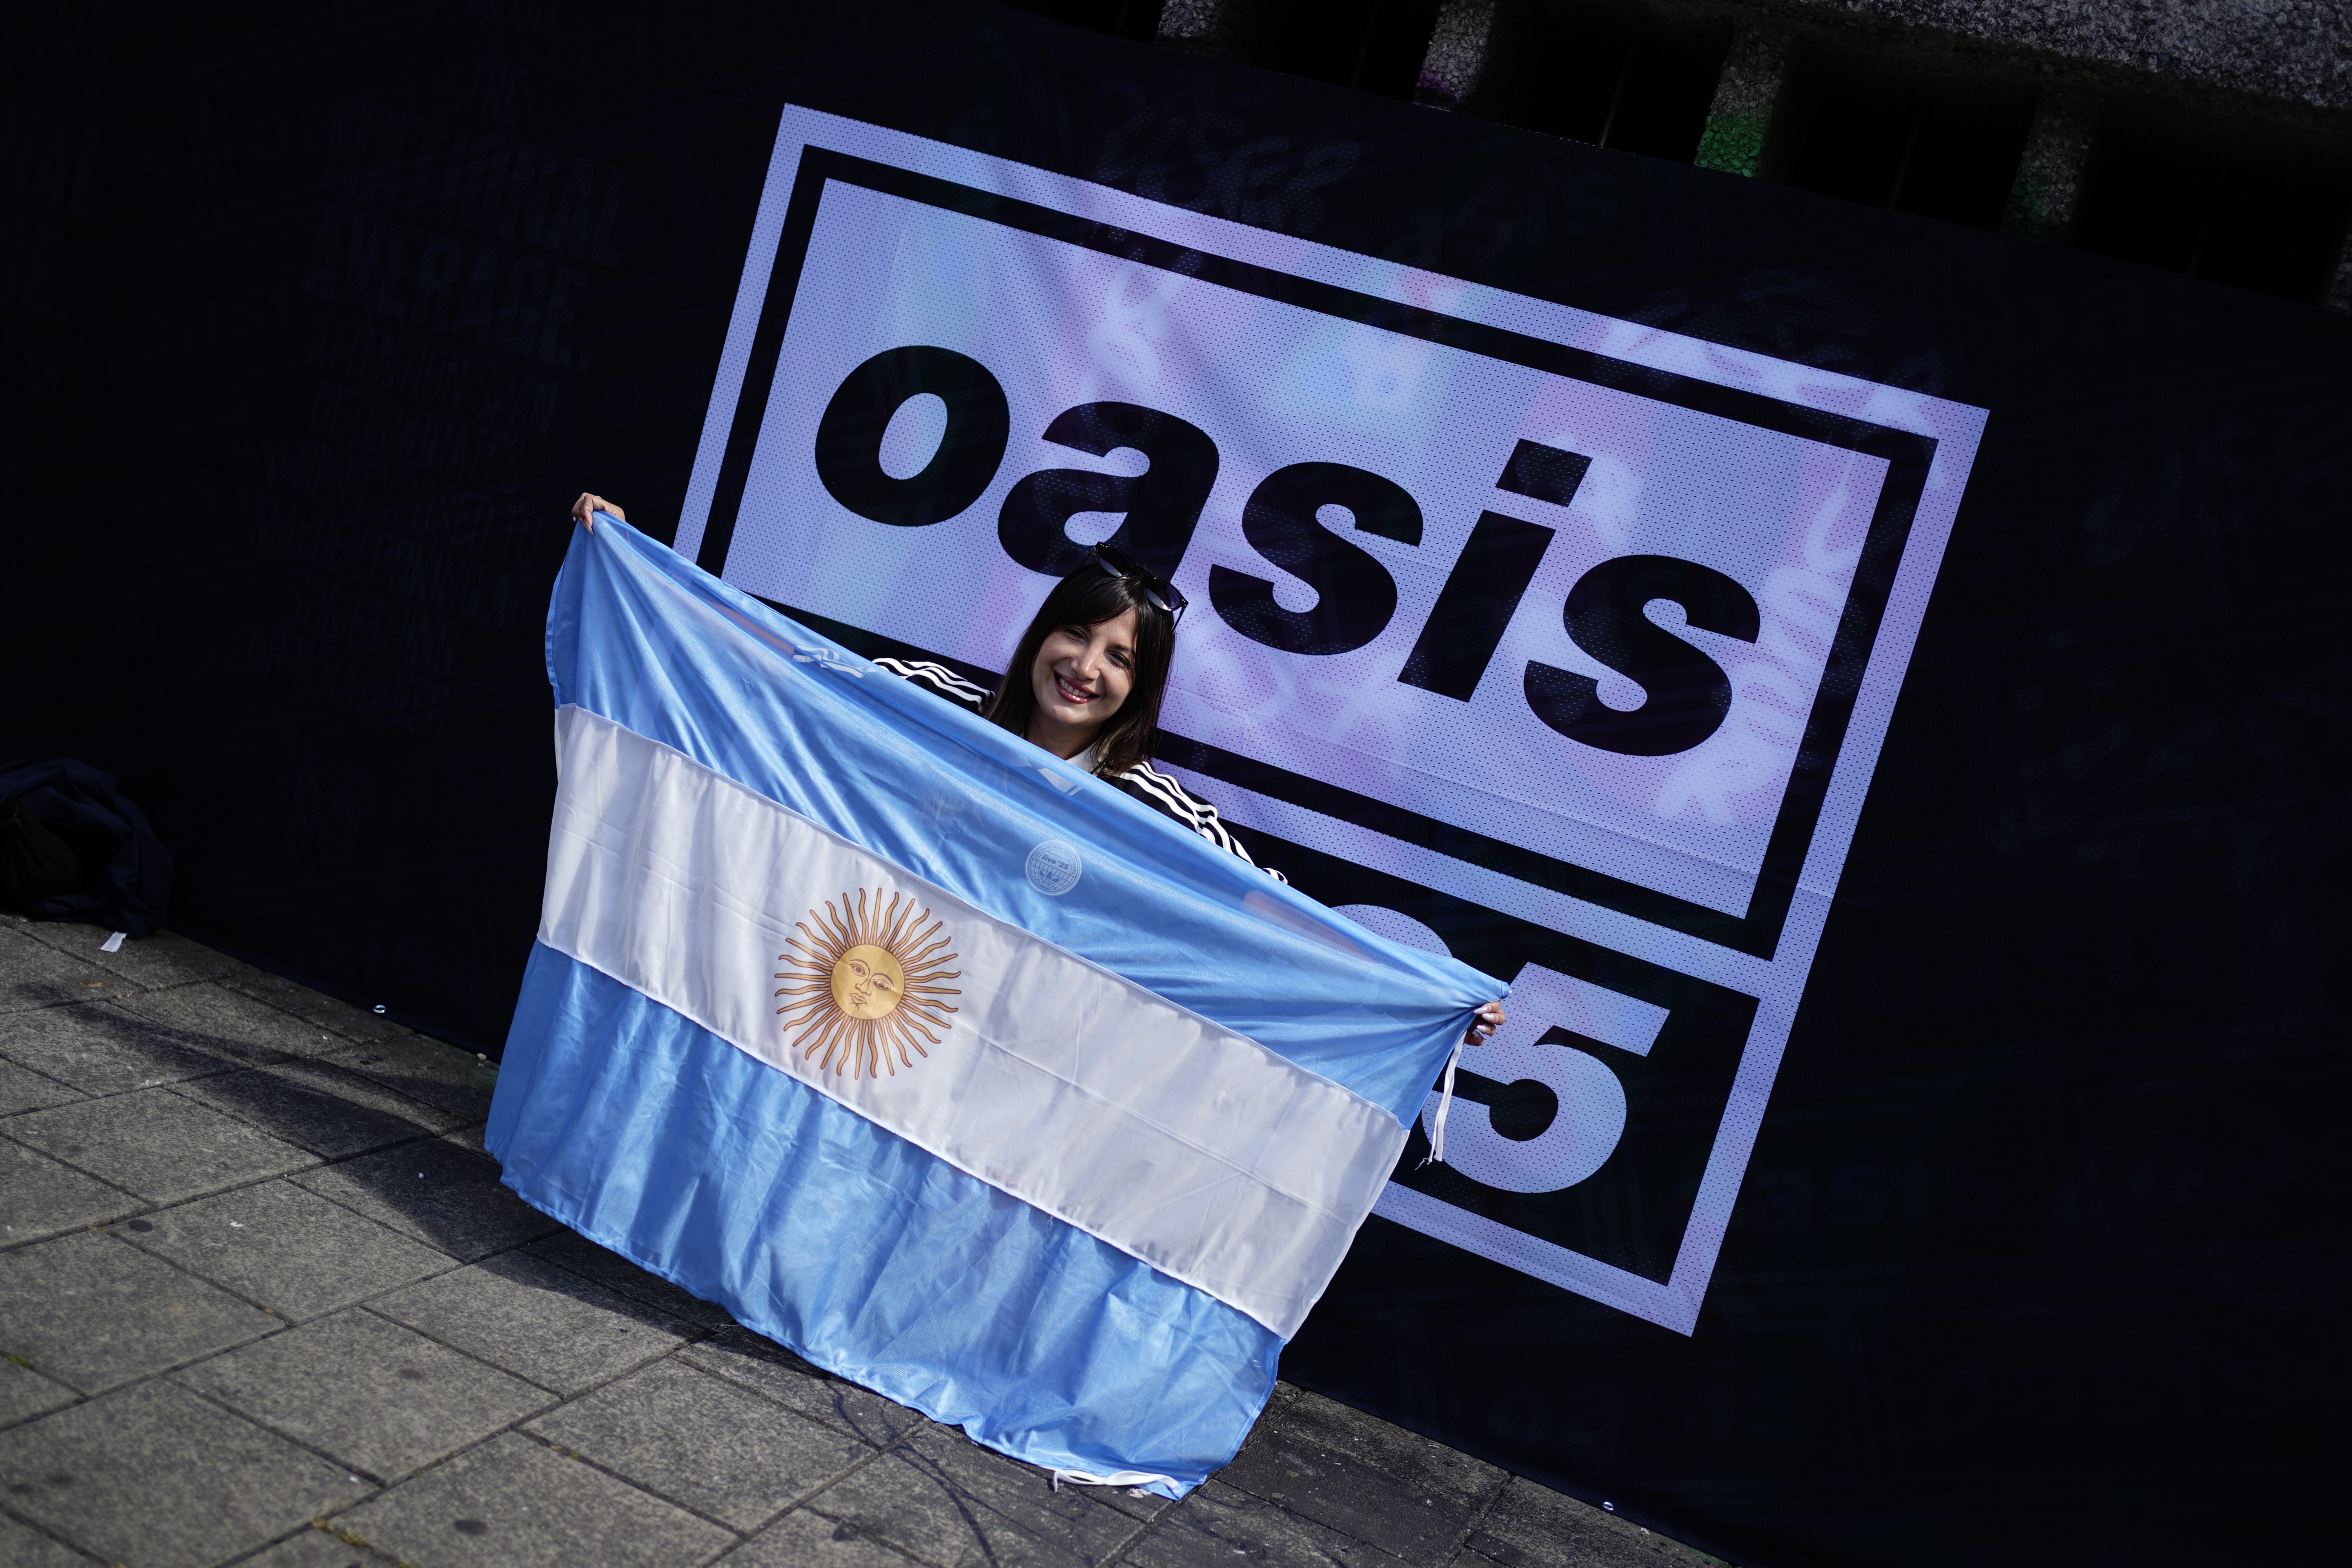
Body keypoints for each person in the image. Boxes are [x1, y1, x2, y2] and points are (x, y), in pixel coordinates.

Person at [570, 492, 1504, 1046]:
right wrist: (639, 564)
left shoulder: (1154, 808)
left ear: (1141, 690)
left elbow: (1275, 910)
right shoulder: (928, 700)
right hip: (839, 983)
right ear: (1039, 635)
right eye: (1075, 632)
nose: (1086, 666)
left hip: (992, 1039)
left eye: (1120, 658)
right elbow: (790, 674)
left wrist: (1428, 996)